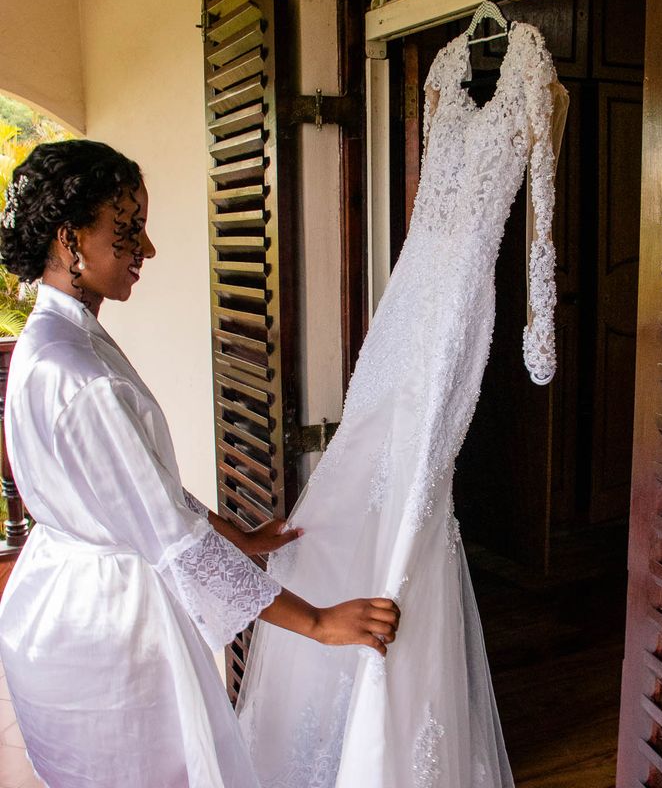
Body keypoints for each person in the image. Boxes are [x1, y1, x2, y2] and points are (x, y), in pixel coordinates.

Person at [0, 139, 400, 788]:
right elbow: (177, 546)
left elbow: (140, 492)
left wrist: (238, 537)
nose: (146, 251)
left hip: (57, 606)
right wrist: (320, 623)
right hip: (103, 630)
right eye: (127, 231)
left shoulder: (51, 338)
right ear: (71, 239)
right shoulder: (79, 372)